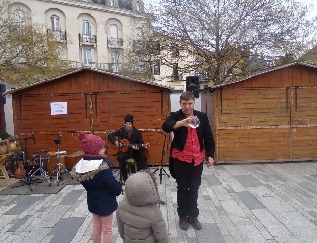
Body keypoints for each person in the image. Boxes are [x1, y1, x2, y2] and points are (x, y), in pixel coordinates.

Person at [161, 91, 215, 231]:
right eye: (184, 104)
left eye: (189, 103)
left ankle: (193, 216)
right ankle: (183, 216)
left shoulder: (201, 116)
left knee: (194, 188)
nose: (187, 106)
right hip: (181, 159)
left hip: (197, 159)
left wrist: (210, 155)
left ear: (193, 103)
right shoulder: (175, 116)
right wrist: (181, 123)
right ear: (180, 103)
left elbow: (208, 137)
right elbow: (166, 127)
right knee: (183, 188)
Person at [70, 132, 122, 243]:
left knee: (96, 225)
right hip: (106, 203)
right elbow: (113, 186)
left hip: (93, 201)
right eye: (101, 147)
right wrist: (119, 188)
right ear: (95, 150)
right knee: (107, 229)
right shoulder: (102, 168)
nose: (104, 149)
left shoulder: (83, 166)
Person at [116, 170, 169, 243]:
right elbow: (161, 236)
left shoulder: (121, 205)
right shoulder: (154, 212)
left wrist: (124, 239)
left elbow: (121, 229)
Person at [107, 114, 147, 182]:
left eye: (129, 124)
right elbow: (110, 136)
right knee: (120, 157)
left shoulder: (137, 132)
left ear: (132, 124)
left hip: (134, 152)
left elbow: (140, 143)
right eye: (127, 124)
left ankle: (141, 176)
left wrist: (138, 148)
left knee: (142, 157)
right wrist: (115, 142)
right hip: (125, 152)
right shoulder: (121, 131)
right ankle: (125, 177)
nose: (128, 126)